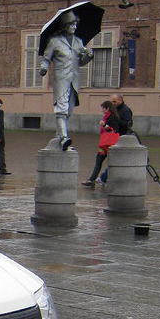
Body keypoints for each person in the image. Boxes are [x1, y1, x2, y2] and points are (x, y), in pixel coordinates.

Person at [39, 10, 93, 150]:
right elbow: (46, 58)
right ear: (65, 26)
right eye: (72, 24)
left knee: (68, 111)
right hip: (61, 79)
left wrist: (88, 56)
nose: (74, 27)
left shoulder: (79, 42)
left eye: (76, 24)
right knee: (61, 110)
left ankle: (60, 140)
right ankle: (64, 137)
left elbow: (80, 62)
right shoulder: (54, 41)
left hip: (74, 80)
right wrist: (43, 68)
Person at [82, 100, 121, 187]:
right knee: (99, 161)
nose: (102, 110)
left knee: (110, 163)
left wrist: (104, 125)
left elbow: (114, 130)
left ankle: (100, 179)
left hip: (110, 144)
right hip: (104, 144)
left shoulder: (113, 117)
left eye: (103, 108)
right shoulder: (107, 117)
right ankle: (92, 180)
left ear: (107, 108)